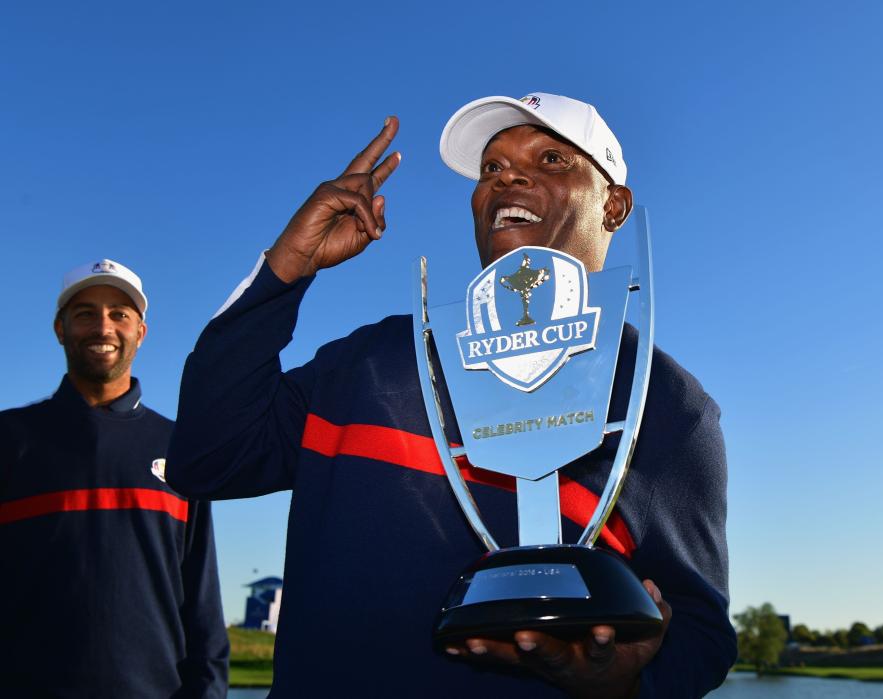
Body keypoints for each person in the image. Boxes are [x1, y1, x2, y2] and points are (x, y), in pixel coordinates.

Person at [168, 92, 736, 697]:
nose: (508, 176)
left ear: (614, 207)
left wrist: (620, 683)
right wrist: (286, 268)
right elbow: (208, 458)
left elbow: (700, 634)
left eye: (550, 160)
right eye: (491, 168)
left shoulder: (666, 402)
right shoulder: (369, 360)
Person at [0, 259, 229, 698]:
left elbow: (203, 607)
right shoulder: (10, 440)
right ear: (60, 329)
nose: (102, 327)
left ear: (140, 332)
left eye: (119, 314)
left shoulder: (181, 447)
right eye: (85, 313)